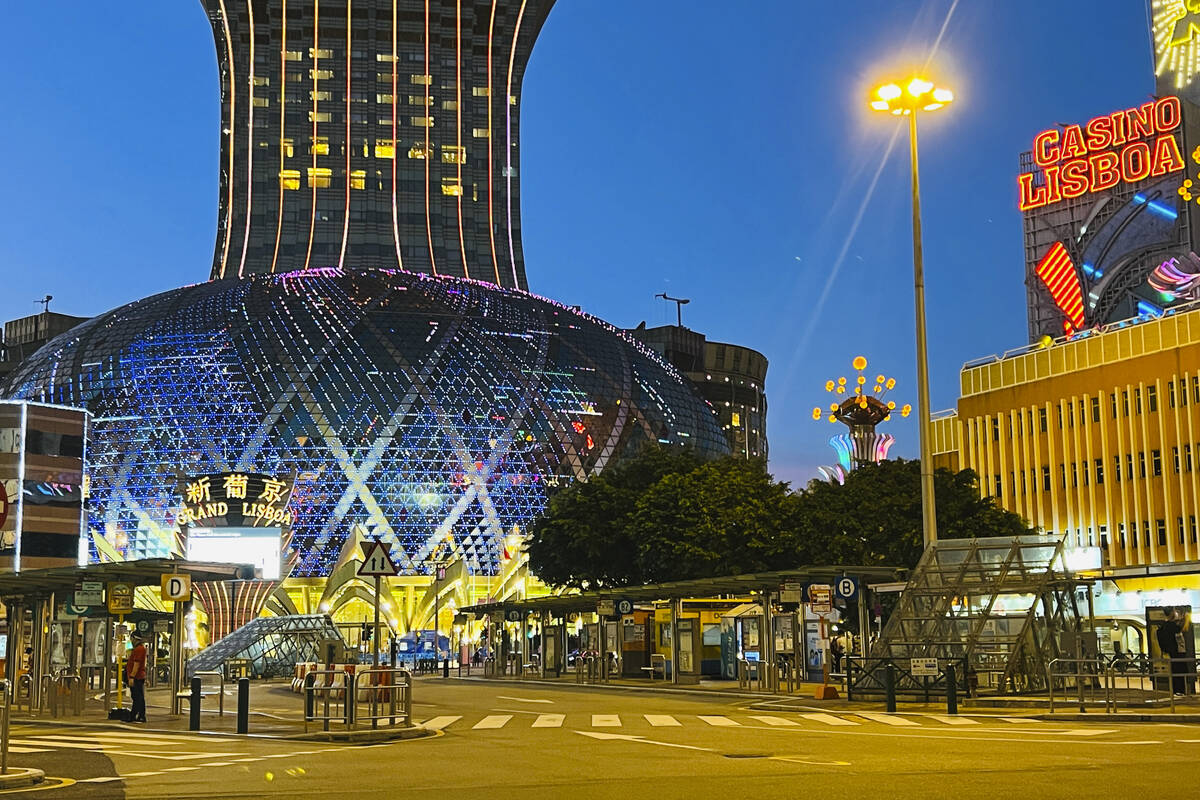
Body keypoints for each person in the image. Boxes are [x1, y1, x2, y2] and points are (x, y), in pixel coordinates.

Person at [126, 633, 148, 723]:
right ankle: (136, 716)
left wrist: (132, 677)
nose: (131, 641)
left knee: (137, 697)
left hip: (137, 677)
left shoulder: (139, 649)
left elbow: (137, 664)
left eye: (131, 638)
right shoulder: (140, 649)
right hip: (138, 676)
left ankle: (138, 716)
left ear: (135, 639)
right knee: (137, 697)